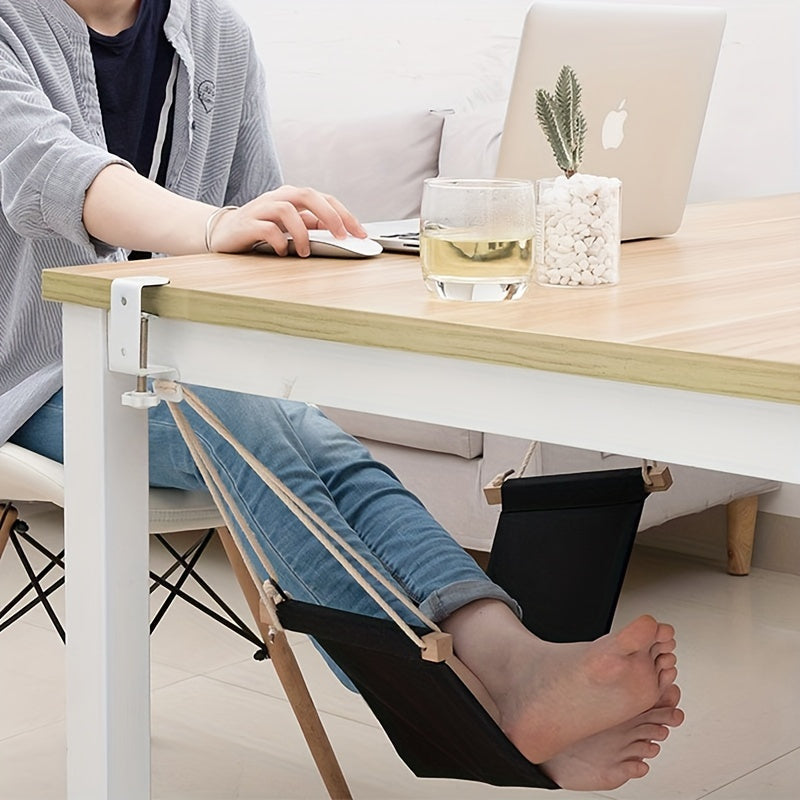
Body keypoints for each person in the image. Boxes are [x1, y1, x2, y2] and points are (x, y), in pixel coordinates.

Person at [0, 0, 684, 790]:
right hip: (36, 369)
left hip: (175, 367)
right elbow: (49, 170)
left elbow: (247, 218)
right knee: (244, 422)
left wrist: (291, 228)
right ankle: (460, 709)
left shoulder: (215, 35)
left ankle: (515, 661)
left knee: (327, 448)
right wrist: (219, 224)